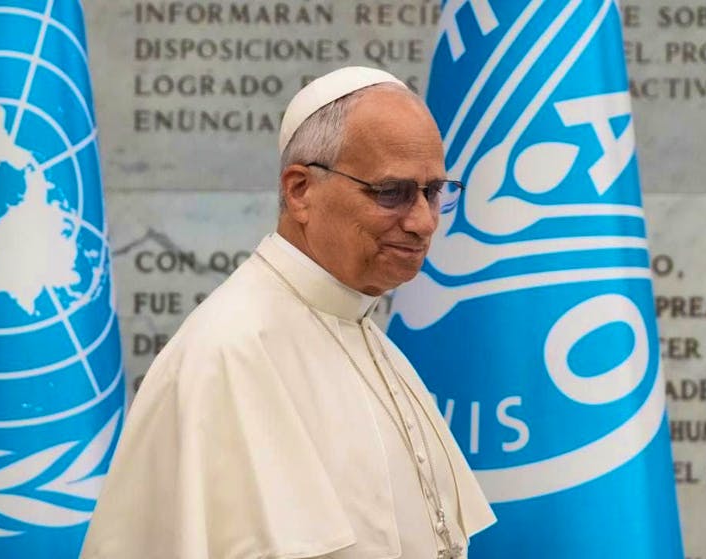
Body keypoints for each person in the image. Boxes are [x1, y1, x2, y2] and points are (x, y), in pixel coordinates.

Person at [82, 66, 495, 559]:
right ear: (300, 190)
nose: (423, 222)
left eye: (433, 192)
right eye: (392, 193)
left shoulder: (364, 334)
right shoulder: (228, 355)